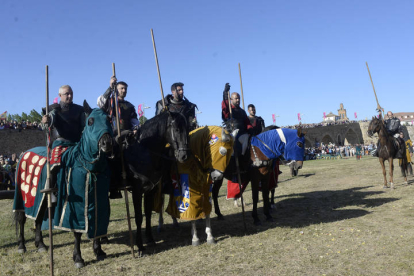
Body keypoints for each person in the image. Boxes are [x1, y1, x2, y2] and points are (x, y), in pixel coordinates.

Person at [97, 76, 140, 198]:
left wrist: (136, 128)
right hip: (112, 135)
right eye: (121, 88)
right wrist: (109, 88)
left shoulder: (129, 106)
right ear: (116, 89)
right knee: (112, 157)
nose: (124, 91)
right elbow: (100, 103)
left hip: (127, 135)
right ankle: (113, 186)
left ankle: (136, 179)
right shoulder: (109, 102)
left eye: (125, 89)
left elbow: (134, 120)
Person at [41, 85, 86, 192]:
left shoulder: (80, 110)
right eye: (67, 94)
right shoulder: (53, 109)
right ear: (60, 95)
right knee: (55, 163)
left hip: (77, 143)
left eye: (71, 93)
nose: (70, 96)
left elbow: (84, 127)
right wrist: (45, 122)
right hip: (60, 143)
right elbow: (46, 127)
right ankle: (50, 185)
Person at [221, 83, 253, 155]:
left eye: (239, 98)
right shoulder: (228, 110)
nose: (238, 100)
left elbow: (247, 123)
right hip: (230, 133)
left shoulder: (242, 111)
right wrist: (225, 94)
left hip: (241, 134)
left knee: (247, 138)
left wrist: (250, 130)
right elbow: (224, 106)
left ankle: (243, 156)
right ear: (231, 99)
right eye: (236, 98)